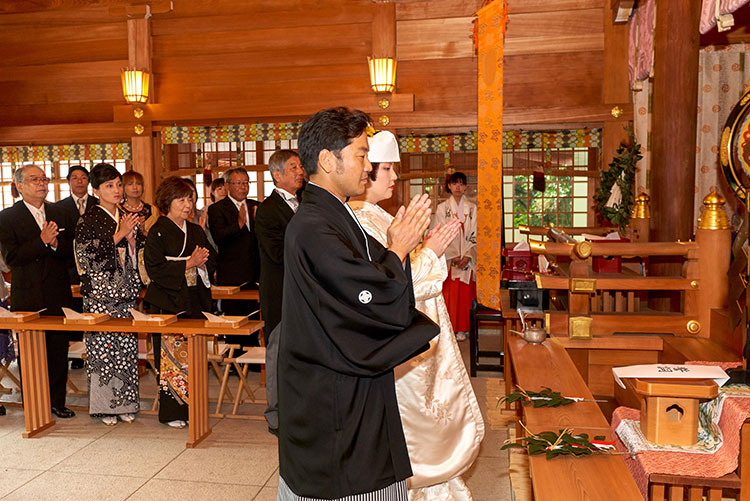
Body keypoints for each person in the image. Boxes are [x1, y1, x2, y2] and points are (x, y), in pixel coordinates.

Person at [277, 107, 440, 500]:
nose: (369, 166)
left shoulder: (334, 216)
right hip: (333, 390)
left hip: (345, 377)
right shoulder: (314, 225)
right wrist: (398, 248)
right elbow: (364, 295)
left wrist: (397, 251)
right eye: (362, 155)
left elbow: (365, 287)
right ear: (328, 161)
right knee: (350, 480)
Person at [349, 131, 485, 499]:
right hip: (392, 342)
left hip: (405, 336)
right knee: (411, 428)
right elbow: (388, 284)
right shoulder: (358, 222)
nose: (395, 178)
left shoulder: (378, 214)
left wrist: (426, 247)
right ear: (365, 171)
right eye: (388, 169)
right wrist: (431, 252)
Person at [0, 164, 75, 418]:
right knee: (32, 353)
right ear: (20, 186)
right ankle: (35, 401)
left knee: (57, 350)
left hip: (57, 291)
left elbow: (71, 253)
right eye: (34, 179)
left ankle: (57, 402)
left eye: (44, 178)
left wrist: (55, 244)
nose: (41, 183)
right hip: (28, 293)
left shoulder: (60, 212)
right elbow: (12, 257)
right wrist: (42, 242)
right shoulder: (7, 217)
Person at [144, 176, 216, 428]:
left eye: (190, 199)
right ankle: (172, 412)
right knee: (171, 359)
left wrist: (204, 264)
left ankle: (193, 406)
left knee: (193, 357)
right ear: (167, 202)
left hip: (193, 300)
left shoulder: (195, 230)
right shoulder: (157, 231)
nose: (188, 204)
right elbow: (154, 269)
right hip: (168, 301)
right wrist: (188, 263)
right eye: (181, 199)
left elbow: (210, 260)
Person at [75, 163, 144, 426]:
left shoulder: (126, 216)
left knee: (126, 351)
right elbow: (85, 255)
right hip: (101, 295)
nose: (116, 190)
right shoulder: (88, 219)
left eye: (118, 184)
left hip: (125, 294)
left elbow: (138, 254)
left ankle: (126, 404)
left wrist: (133, 241)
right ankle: (104, 407)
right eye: (109, 186)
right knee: (103, 352)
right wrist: (120, 236)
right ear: (96, 191)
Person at [254, 149, 304, 339]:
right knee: (281, 345)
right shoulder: (267, 209)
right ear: (277, 174)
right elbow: (277, 252)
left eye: (300, 167)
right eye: (293, 167)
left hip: (305, 288)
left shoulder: (307, 202)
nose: (300, 172)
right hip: (281, 289)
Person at [207, 167, 260, 344]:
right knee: (234, 318)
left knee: (253, 317)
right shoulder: (217, 209)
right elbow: (219, 237)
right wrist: (238, 224)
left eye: (246, 183)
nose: (243, 187)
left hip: (254, 272)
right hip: (231, 273)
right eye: (238, 183)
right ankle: (234, 356)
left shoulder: (256, 206)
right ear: (228, 185)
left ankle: (252, 360)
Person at [433, 172, 477, 341]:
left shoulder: (472, 208)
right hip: (450, 258)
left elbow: (475, 232)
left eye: (461, 184)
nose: (458, 187)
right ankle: (449, 328)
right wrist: (452, 255)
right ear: (449, 186)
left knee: (465, 295)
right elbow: (439, 231)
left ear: (465, 187)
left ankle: (463, 329)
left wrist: (467, 254)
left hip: (466, 257)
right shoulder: (442, 208)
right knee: (449, 295)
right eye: (454, 184)